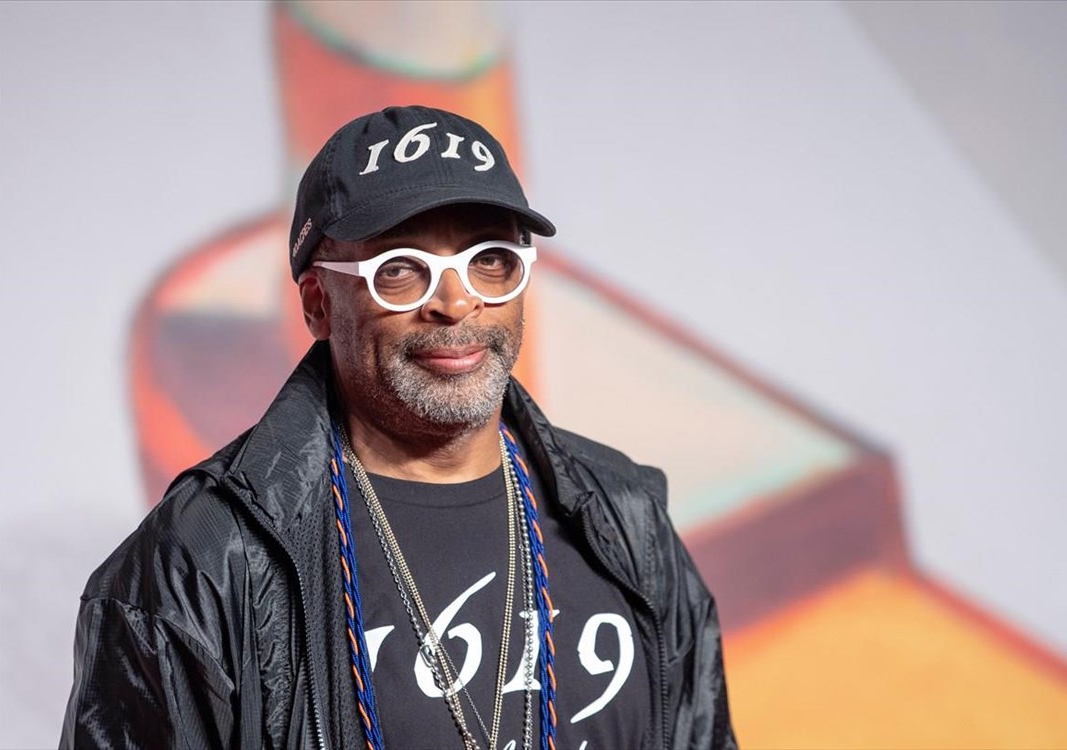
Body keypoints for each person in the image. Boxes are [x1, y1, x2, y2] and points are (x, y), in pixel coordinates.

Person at [61, 105, 736, 750]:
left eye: (490, 260)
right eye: (401, 270)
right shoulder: (205, 559)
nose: (457, 302)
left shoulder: (626, 520)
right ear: (318, 303)